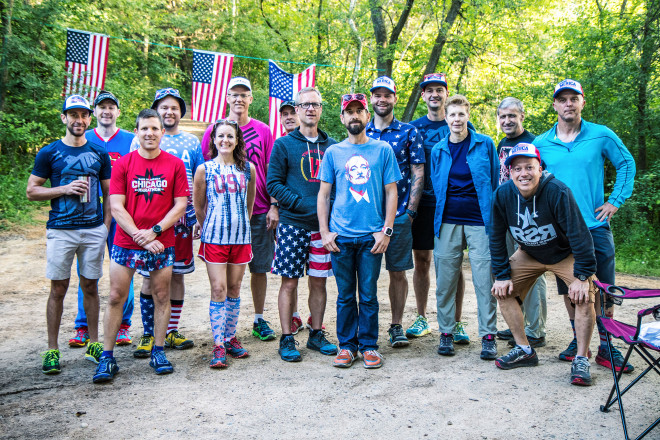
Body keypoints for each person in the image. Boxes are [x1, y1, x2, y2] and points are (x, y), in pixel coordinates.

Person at [534, 79, 636, 373]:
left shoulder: (601, 135)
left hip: (594, 226)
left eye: (573, 98)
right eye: (562, 99)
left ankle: (607, 346)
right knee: (570, 289)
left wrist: (615, 201)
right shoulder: (541, 144)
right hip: (560, 232)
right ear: (554, 104)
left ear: (582, 102)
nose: (568, 104)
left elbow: (626, 164)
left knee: (603, 287)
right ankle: (579, 340)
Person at [93, 109, 189, 383]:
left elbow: (180, 204)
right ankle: (107, 357)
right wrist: (139, 235)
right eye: (144, 129)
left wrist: (155, 231)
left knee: (161, 296)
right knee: (114, 296)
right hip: (126, 241)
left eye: (154, 129)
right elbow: (115, 205)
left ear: (162, 133)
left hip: (162, 242)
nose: (149, 133)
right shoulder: (123, 164)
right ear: (136, 132)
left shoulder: (174, 165)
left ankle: (158, 351)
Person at [490, 143, 597, 386]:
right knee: (502, 290)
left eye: (529, 167)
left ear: (540, 169)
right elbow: (496, 237)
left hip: (564, 254)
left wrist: (582, 277)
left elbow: (580, 236)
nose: (523, 173)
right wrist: (501, 274)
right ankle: (524, 349)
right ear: (510, 172)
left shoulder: (558, 191)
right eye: (517, 169)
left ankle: (581, 358)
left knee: (584, 295)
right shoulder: (503, 195)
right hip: (529, 253)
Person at [27, 95, 112, 374]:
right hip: (61, 230)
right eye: (73, 115)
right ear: (64, 118)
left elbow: (110, 192)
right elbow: (32, 191)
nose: (79, 120)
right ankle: (52, 349)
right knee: (58, 289)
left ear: (90, 118)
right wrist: (62, 189)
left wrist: (105, 226)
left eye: (84, 115)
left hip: (92, 230)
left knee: (91, 286)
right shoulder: (49, 152)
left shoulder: (99, 153)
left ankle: (94, 343)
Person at [318, 93, 401, 369]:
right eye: (349, 112)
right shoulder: (333, 152)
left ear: (368, 116)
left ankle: (368, 346)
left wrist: (386, 230)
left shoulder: (383, 151)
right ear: (342, 118)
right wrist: (325, 232)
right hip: (340, 237)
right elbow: (323, 194)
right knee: (344, 295)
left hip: (371, 238)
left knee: (367, 295)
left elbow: (392, 192)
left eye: (359, 111)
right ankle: (347, 346)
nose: (354, 116)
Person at [202, 77, 278, 341]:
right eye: (234, 94)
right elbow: (206, 176)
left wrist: (272, 205)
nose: (238, 98)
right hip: (223, 218)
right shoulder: (214, 130)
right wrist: (204, 219)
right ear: (226, 97)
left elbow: (271, 171)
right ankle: (222, 336)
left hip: (257, 212)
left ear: (250, 99)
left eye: (244, 94)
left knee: (259, 268)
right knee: (223, 282)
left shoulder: (264, 131)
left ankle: (258, 319)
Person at [130, 88, 204, 357]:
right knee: (150, 277)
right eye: (164, 107)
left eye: (174, 107)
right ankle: (149, 333)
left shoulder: (190, 142)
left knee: (177, 275)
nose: (169, 111)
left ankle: (171, 330)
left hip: (181, 220)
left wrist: (197, 217)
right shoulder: (140, 141)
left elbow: (199, 180)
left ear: (180, 112)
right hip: (150, 221)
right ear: (156, 112)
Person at [267, 87, 338, 362]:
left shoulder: (332, 146)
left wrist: (328, 215)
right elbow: (273, 183)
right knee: (289, 283)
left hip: (323, 228)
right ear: (296, 110)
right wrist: (302, 203)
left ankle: (316, 333)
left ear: (321, 110)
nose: (310, 109)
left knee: (319, 282)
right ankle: (286, 338)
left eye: (315, 104)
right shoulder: (284, 145)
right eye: (304, 105)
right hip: (293, 225)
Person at [430, 94, 499, 360]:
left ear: (467, 116)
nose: (457, 119)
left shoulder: (485, 144)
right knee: (445, 281)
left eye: (461, 114)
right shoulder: (438, 150)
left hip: (480, 221)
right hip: (447, 219)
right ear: (445, 118)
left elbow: (493, 181)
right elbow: (437, 185)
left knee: (484, 279)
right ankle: (446, 333)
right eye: (452, 115)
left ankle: (488, 336)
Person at [408, 73, 474, 344]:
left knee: (453, 263)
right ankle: (422, 317)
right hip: (423, 203)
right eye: (429, 90)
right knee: (421, 261)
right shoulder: (412, 127)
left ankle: (456, 322)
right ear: (422, 95)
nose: (434, 94)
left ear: (446, 94)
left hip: (452, 203)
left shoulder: (459, 123)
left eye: (439, 89)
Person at [69, 91, 136, 349]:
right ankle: (83, 325)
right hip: (88, 214)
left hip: (122, 214)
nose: (107, 111)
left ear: (118, 111)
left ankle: (123, 326)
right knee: (88, 271)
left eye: (111, 107)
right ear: (94, 112)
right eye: (101, 107)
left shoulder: (131, 139)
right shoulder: (83, 139)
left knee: (123, 269)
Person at [365, 76, 424, 348]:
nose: (382, 99)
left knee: (397, 272)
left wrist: (410, 212)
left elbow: (417, 171)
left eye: (387, 94)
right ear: (371, 99)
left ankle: (396, 326)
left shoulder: (409, 132)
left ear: (394, 99)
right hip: (366, 216)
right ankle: (365, 328)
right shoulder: (361, 131)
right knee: (365, 273)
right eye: (377, 94)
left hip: (399, 215)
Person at [193, 119, 256, 368]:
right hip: (215, 238)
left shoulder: (247, 169)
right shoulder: (204, 169)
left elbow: (249, 204)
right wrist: (208, 224)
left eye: (230, 136)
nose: (225, 140)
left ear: (237, 140)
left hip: (240, 237)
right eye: (220, 136)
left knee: (235, 288)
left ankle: (231, 337)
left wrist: (242, 222)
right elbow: (198, 205)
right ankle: (218, 344)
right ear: (214, 139)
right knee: (218, 289)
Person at [494, 97, 548, 348]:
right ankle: (520, 323)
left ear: (522, 117)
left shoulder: (536, 142)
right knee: (515, 270)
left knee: (535, 271)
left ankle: (535, 330)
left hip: (531, 216)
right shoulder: (502, 144)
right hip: (508, 215)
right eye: (503, 116)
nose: (507, 121)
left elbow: (543, 178)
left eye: (512, 116)